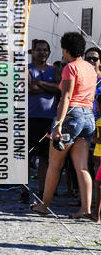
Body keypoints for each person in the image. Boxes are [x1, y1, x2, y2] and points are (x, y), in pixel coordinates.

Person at [31, 32, 96, 218]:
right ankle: (85, 208)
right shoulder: (90, 68)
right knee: (82, 166)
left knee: (55, 164)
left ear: (66, 50)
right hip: (87, 116)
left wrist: (58, 125)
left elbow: (66, 96)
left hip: (71, 116)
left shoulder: (70, 68)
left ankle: (44, 206)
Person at [24, 39, 60, 203]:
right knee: (26, 157)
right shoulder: (26, 69)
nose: (42, 53)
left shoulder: (55, 69)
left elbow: (59, 88)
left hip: (49, 120)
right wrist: (49, 86)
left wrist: (38, 83)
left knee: (45, 158)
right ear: (33, 52)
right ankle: (24, 190)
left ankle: (42, 190)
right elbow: (28, 88)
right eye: (39, 50)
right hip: (30, 118)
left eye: (45, 50)